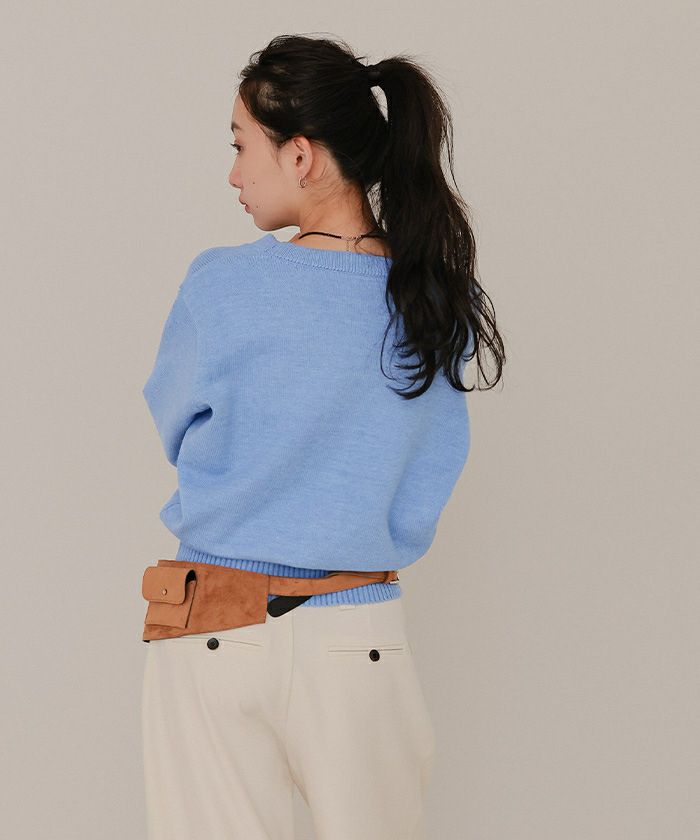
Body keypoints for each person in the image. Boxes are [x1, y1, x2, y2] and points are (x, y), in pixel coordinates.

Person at [140, 32, 505, 840]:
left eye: (242, 146)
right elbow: (430, 459)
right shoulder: (436, 301)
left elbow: (176, 426)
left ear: (300, 155)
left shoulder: (222, 285)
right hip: (358, 633)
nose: (234, 173)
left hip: (211, 626)